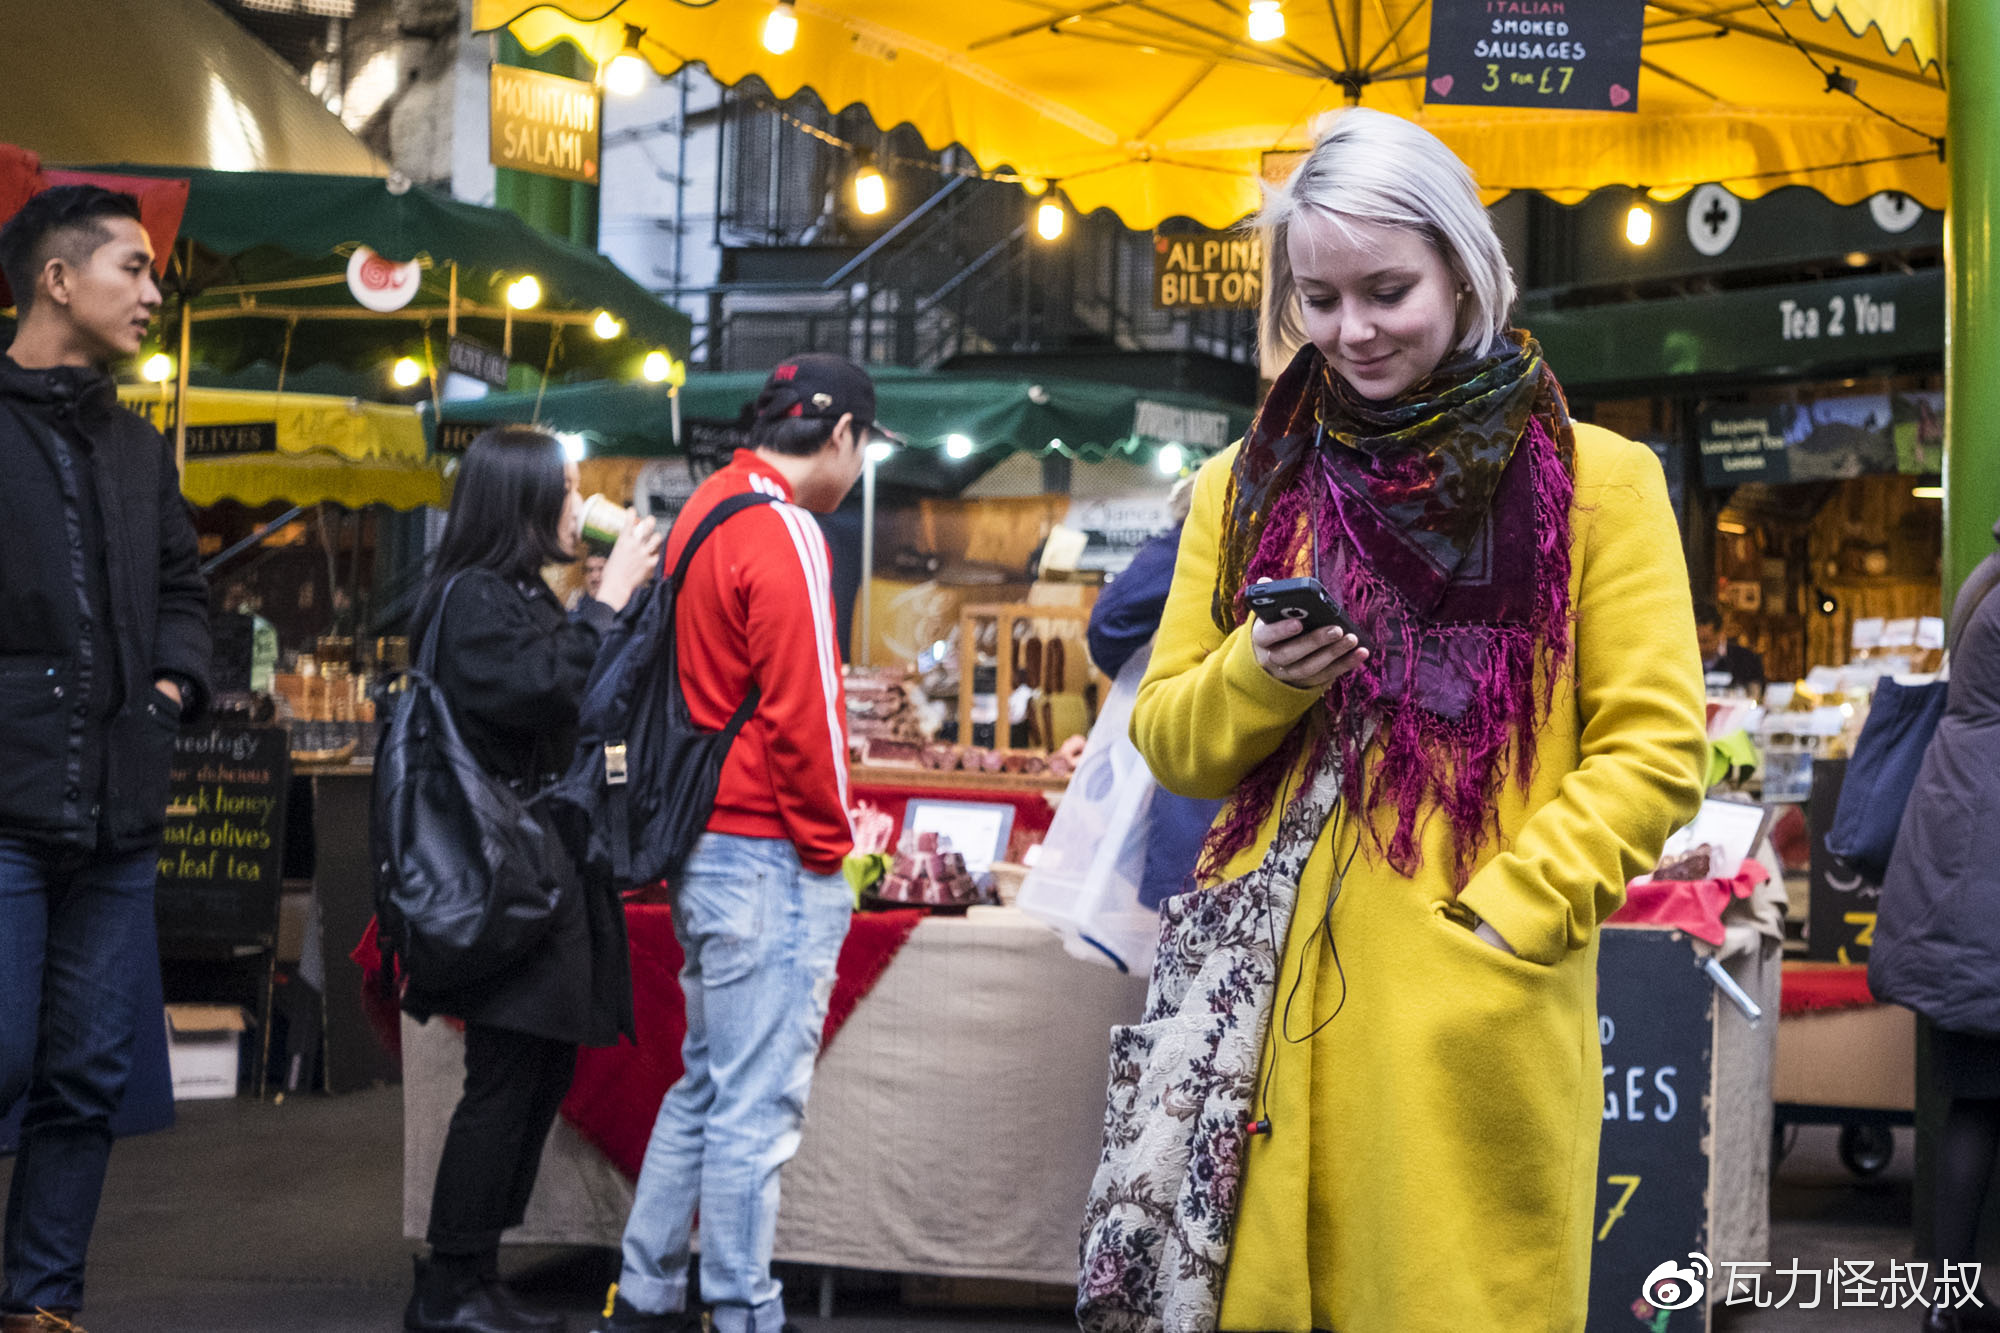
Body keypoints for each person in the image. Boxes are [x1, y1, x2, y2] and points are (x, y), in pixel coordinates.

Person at [1125, 108, 1707, 1330]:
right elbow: (1169, 738)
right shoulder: (1243, 486)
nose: (1352, 330)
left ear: (1461, 268)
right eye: (1318, 298)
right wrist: (1261, 672)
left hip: (1467, 1031)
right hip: (1260, 1033)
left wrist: (1504, 921)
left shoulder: (1601, 483)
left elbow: (1653, 751)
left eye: (1386, 290)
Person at [596, 354, 878, 1333]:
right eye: (864, 447)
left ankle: (644, 1293)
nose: (860, 467)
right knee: (755, 1109)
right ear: (839, 435)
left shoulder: (706, 508)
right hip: (770, 855)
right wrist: (833, 848)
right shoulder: (786, 528)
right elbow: (808, 713)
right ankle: (742, 1309)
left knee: (707, 1085)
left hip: (702, 842)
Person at [0, 185, 211, 1333]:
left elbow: (184, 587)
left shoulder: (135, 446)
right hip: (6, 806)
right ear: (57, 279)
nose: (151, 292)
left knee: (85, 1073)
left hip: (119, 812)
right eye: (133, 268)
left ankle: (40, 1306)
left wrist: (170, 690)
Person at [402, 426, 661, 1333]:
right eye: (568, 487)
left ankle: (473, 1276)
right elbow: (548, 690)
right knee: (506, 1078)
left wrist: (598, 604)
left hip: (534, 872)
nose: (579, 504)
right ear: (522, 498)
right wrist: (607, 601)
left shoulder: (508, 592)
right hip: (501, 876)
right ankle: (449, 1288)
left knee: (534, 1070)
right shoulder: (472, 596)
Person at [1867, 517, 2000, 1333]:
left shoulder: (1986, 581)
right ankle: (1949, 1302)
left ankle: (1947, 1301)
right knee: (1981, 1106)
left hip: (1965, 879)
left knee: (1979, 1105)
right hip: (1985, 882)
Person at [1084, 476, 1223, 908]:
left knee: (1191, 920)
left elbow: (1110, 622)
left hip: (1202, 773)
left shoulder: (1208, 527)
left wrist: (1156, 676)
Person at [1696, 598, 1766, 693]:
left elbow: (1756, 693)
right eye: (1694, 642)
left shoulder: (1747, 660)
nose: (1699, 647)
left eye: (1704, 641)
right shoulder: (1682, 663)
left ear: (1720, 634)